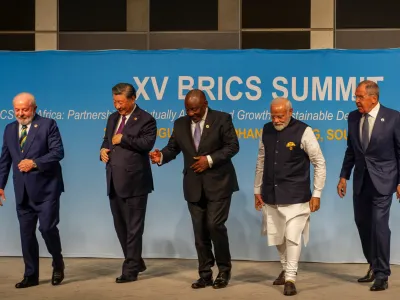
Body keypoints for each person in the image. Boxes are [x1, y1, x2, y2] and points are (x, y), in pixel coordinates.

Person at [149, 89, 239, 289]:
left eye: (195, 109)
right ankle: (205, 273)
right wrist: (161, 156)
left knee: (215, 226)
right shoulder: (180, 124)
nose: (191, 113)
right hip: (193, 186)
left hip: (219, 184)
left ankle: (224, 270)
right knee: (199, 233)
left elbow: (233, 146)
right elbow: (173, 148)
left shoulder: (222, 119)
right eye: (188, 109)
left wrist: (209, 160)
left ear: (205, 103)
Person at [254, 97, 326, 296]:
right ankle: (285, 268)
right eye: (273, 116)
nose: (276, 120)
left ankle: (291, 278)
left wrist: (317, 193)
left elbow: (319, 162)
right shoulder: (266, 130)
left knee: (293, 237)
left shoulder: (304, 131)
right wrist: (256, 190)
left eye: (280, 116)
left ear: (290, 112)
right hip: (270, 194)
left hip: (297, 195)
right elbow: (261, 161)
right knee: (278, 237)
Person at [337, 80, 400, 292]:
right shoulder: (353, 117)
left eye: (360, 97)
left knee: (379, 225)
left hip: (384, 180)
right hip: (361, 180)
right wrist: (344, 175)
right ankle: (373, 265)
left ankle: (382, 274)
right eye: (356, 97)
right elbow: (351, 149)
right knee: (363, 223)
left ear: (373, 98)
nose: (356, 101)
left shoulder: (393, 117)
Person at [0, 93, 65, 288]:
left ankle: (58, 262)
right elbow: (5, 160)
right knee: (26, 235)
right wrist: (0, 185)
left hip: (46, 190)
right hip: (22, 192)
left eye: (25, 109)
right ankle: (31, 275)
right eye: (17, 110)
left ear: (34, 108)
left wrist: (35, 163)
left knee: (47, 229)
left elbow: (57, 152)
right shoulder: (9, 129)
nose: (21, 113)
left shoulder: (47, 124)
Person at [100, 83, 157, 283]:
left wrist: (124, 138)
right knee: (121, 226)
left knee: (134, 228)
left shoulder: (146, 119)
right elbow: (107, 140)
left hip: (135, 182)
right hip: (114, 180)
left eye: (121, 102)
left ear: (133, 99)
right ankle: (136, 260)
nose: (118, 106)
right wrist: (103, 150)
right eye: (115, 101)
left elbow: (146, 144)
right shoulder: (112, 118)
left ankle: (130, 270)